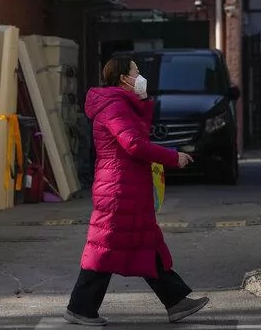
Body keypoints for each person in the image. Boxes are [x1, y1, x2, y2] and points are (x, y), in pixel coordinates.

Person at [64, 56, 209, 326]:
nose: (141, 76)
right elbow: (133, 144)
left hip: (128, 185)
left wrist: (142, 101)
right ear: (123, 78)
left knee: (144, 242)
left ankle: (176, 301)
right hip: (119, 188)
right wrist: (171, 157)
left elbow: (137, 131)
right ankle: (80, 307)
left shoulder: (120, 103)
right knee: (105, 247)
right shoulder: (114, 105)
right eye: (136, 71)